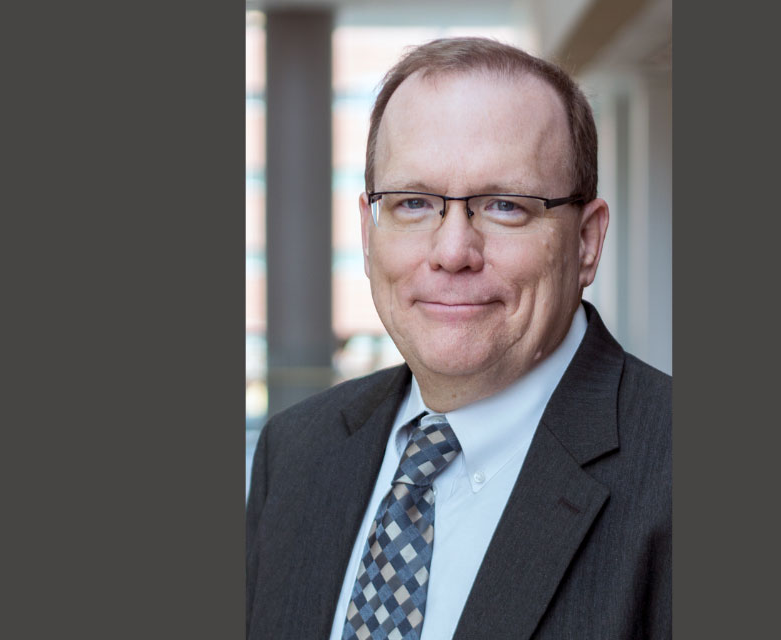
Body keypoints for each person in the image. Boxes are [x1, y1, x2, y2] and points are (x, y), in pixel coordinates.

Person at [246, 37, 671, 640]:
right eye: (413, 202)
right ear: (367, 234)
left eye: (505, 206)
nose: (452, 252)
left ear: (586, 242)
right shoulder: (295, 454)